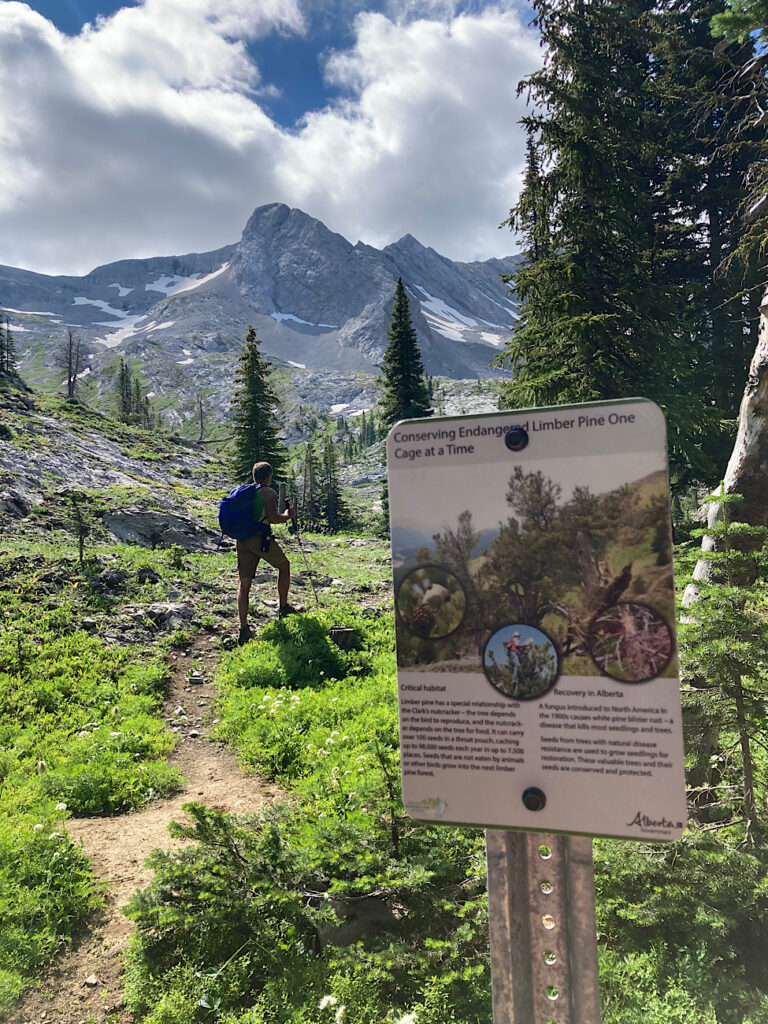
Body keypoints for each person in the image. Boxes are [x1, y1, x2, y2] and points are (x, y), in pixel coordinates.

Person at [236, 461, 297, 644]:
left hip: (242, 539)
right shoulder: (268, 492)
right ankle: (283, 607)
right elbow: (272, 518)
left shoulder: (245, 492)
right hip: (260, 538)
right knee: (284, 566)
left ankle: (243, 628)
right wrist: (288, 515)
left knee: (244, 583)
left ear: (254, 476)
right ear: (269, 476)